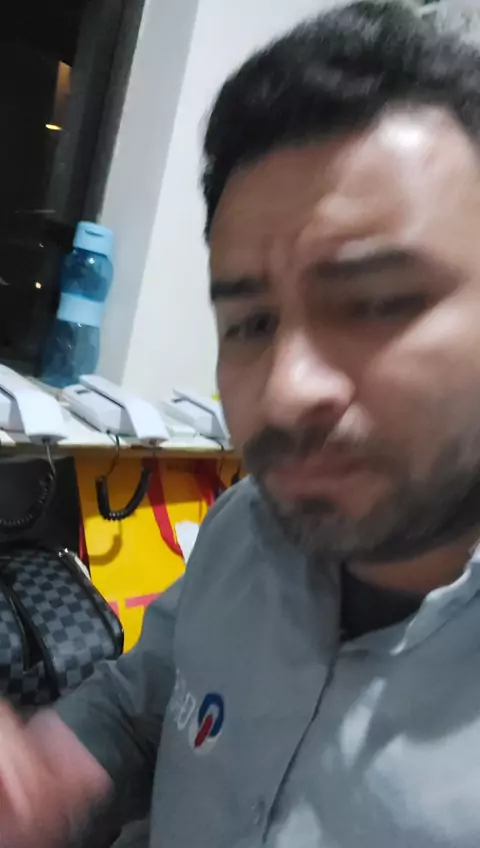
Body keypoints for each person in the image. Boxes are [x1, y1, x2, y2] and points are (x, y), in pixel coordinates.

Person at [3, 1, 480, 845]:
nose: (286, 391)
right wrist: (46, 775)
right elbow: (147, 703)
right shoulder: (246, 529)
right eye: (252, 323)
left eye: (374, 302)